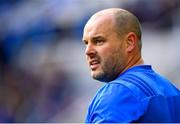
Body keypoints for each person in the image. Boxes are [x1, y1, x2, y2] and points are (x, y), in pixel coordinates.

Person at [82, 8, 180, 123]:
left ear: (129, 42)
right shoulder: (172, 91)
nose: (88, 51)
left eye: (99, 41)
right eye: (86, 43)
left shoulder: (119, 93)